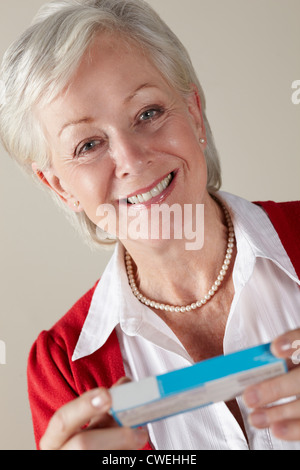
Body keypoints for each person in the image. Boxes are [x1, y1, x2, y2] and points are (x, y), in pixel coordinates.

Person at [0, 0, 299, 451]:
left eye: (148, 113)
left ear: (194, 112)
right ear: (59, 186)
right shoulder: (62, 368)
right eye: (88, 144)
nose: (133, 160)